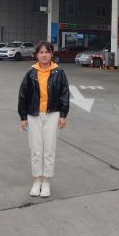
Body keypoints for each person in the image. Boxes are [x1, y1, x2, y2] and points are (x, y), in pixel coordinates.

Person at [18, 41, 70, 197]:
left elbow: (64, 95)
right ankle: (37, 180)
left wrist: (63, 115)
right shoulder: (31, 72)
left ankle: (46, 181)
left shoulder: (59, 72)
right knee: (36, 150)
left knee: (49, 150)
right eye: (41, 52)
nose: (44, 55)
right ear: (37, 55)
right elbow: (23, 95)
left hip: (53, 115)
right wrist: (23, 117)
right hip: (33, 115)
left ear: (52, 54)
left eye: (47, 52)